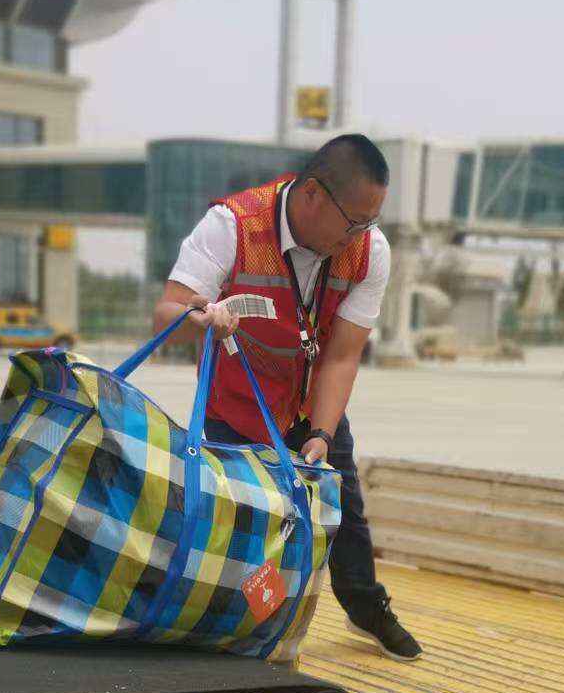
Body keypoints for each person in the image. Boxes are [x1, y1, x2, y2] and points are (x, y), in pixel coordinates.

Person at [150, 134, 421, 661]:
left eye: (370, 222)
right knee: (236, 526)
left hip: (312, 401)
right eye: (354, 221)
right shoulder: (232, 225)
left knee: (343, 511)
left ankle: (365, 607)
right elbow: (166, 312)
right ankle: (222, 625)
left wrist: (322, 433)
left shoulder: (370, 250)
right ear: (313, 193)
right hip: (236, 406)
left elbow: (342, 355)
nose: (360, 235)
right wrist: (198, 318)